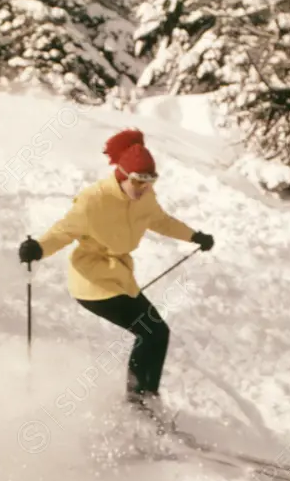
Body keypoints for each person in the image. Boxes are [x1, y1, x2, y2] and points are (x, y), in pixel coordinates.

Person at [18, 128, 213, 427]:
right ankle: (138, 405)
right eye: (137, 181)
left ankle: (144, 400)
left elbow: (160, 220)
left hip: (119, 277)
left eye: (149, 182)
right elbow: (62, 232)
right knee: (151, 332)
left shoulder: (145, 198)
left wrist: (194, 235)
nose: (142, 188)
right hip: (93, 282)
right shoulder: (92, 201)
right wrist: (39, 248)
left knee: (157, 333)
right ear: (122, 176)